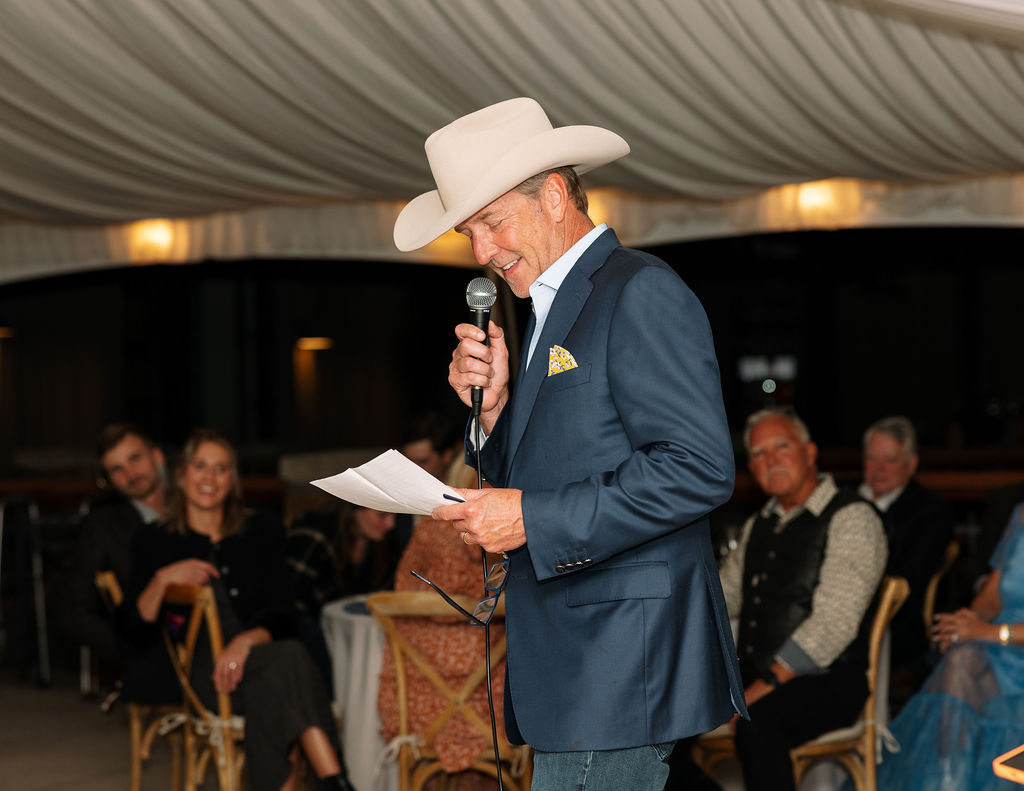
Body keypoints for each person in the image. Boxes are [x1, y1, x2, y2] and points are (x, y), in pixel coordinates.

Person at [399, 97, 745, 791]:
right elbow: (546, 469)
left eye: (494, 223)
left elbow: (699, 467)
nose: (481, 252)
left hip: (617, 666)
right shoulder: (551, 312)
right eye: (469, 232)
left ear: (555, 196)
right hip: (575, 665)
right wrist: (494, 412)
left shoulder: (639, 290)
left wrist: (531, 517)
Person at [118, 429, 353, 791]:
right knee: (287, 665)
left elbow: (284, 612)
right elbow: (133, 627)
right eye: (200, 466)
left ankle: (331, 781)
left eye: (222, 468)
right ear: (180, 475)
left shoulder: (262, 529)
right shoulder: (154, 540)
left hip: (261, 659)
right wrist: (163, 579)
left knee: (278, 674)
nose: (210, 478)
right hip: (201, 675)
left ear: (233, 479)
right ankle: (335, 780)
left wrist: (245, 643)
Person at [709, 408, 887, 791]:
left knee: (758, 729)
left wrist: (760, 688)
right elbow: (724, 599)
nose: (769, 460)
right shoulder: (760, 523)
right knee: (657, 717)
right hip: (756, 672)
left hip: (827, 679)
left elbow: (833, 625)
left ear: (810, 452)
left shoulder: (853, 517)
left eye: (781, 447)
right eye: (757, 453)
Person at [870, 501, 1024, 790]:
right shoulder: (1021, 514)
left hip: (1010, 647)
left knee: (963, 665)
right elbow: (992, 597)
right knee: (960, 658)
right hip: (997, 648)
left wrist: (989, 632)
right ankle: (949, 778)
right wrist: (964, 626)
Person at [378, 460, 505, 791]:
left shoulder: (431, 520)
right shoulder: (501, 523)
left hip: (420, 704)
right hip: (488, 702)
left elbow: (401, 586)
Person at [61, 422, 176, 703]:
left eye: (135, 459)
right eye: (117, 469)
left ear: (157, 456)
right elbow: (73, 611)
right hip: (160, 645)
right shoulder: (102, 528)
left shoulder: (195, 503)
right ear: (109, 480)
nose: (130, 474)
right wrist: (131, 648)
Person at [858, 415, 955, 699]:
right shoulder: (840, 498)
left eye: (890, 460)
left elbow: (909, 581)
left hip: (893, 626)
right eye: (871, 458)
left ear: (911, 464)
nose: (878, 468)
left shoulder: (931, 513)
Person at [389, 408, 460, 556]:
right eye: (408, 461)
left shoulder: (467, 487)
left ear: (447, 456)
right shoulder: (397, 489)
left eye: (423, 461)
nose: (413, 470)